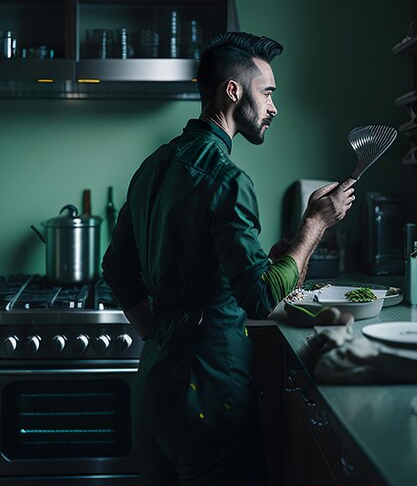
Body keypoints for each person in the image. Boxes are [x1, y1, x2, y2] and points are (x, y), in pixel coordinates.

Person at [102, 31, 355, 486]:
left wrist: (158, 334)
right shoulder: (226, 177)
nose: (274, 107)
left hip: (155, 388)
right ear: (233, 91)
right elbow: (258, 297)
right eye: (268, 93)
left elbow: (116, 268)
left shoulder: (155, 164)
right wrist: (316, 224)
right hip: (209, 396)